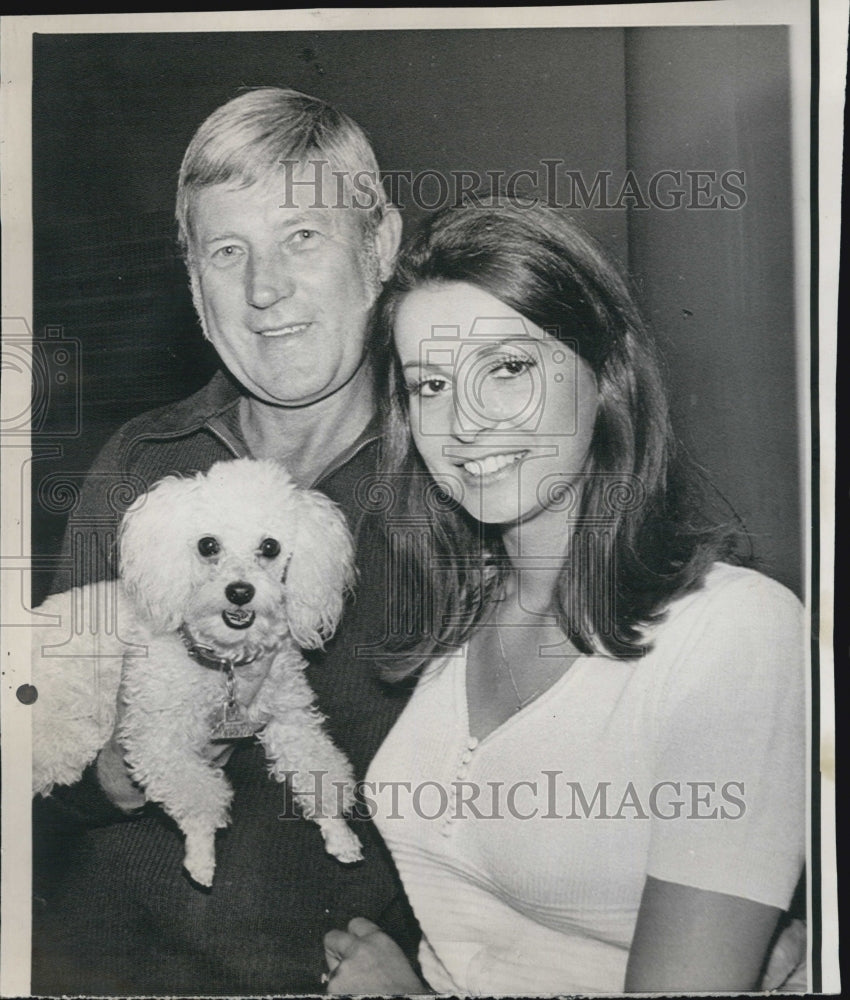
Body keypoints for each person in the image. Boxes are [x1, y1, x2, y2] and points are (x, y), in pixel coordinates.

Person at [322, 201, 807, 994]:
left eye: (508, 369)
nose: (466, 423)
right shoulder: (459, 612)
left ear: (605, 373)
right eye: (432, 384)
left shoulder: (735, 633)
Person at [31, 87, 422, 995]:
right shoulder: (139, 464)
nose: (265, 288)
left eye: (302, 238)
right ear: (191, 275)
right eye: (227, 250)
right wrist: (103, 779)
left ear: (382, 245)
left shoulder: (459, 470)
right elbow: (28, 746)